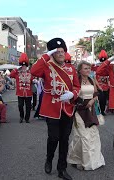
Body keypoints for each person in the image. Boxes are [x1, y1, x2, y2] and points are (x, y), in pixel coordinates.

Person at [31, 38, 80, 180]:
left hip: (68, 108)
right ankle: (49, 158)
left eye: (62, 51)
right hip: (51, 107)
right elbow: (34, 70)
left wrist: (73, 94)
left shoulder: (71, 69)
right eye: (56, 52)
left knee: (64, 139)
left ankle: (62, 169)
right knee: (53, 138)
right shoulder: (46, 66)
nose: (60, 54)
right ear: (52, 53)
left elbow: (77, 86)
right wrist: (47, 55)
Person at [67, 61, 105, 170]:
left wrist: (92, 101)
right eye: (85, 68)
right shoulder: (76, 81)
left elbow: (96, 94)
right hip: (79, 110)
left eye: (89, 68)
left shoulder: (91, 79)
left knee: (92, 134)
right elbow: (72, 95)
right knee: (82, 136)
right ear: (79, 70)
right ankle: (78, 159)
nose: (88, 70)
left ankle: (91, 160)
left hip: (90, 109)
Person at [10, 53, 34, 123]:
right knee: (20, 106)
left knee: (28, 107)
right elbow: (11, 75)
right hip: (20, 93)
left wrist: (34, 81)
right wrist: (16, 68)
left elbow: (33, 79)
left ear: (26, 66)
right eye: (22, 66)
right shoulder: (17, 73)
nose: (23, 67)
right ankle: (21, 116)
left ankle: (27, 118)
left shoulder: (30, 73)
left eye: (24, 66)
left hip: (28, 93)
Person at [92, 50, 109, 116]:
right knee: (99, 99)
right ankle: (98, 111)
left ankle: (102, 110)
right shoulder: (96, 67)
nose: (103, 62)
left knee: (104, 100)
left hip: (106, 86)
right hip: (98, 85)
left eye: (104, 60)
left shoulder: (108, 67)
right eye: (101, 60)